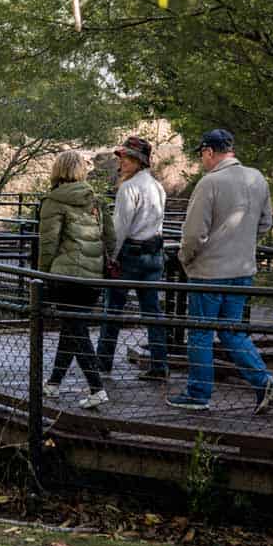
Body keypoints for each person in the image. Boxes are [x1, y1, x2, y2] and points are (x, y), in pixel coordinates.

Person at [168, 129, 273, 414]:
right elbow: (266, 223)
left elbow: (193, 233)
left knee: (201, 334)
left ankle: (198, 394)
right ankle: (263, 380)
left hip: (208, 272)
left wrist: (184, 258)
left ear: (208, 152)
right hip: (242, 270)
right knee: (231, 332)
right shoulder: (257, 177)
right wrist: (242, 243)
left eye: (202, 155)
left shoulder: (210, 183)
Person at [38, 150, 116, 409]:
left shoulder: (54, 201)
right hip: (92, 277)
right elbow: (110, 238)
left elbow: (48, 243)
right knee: (72, 329)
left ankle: (96, 388)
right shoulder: (95, 200)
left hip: (67, 275)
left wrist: (42, 275)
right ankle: (54, 383)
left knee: (75, 329)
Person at [96, 137, 169, 380]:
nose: (123, 161)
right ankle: (160, 365)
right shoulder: (157, 187)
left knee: (113, 310)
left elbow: (120, 228)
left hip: (130, 255)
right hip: (154, 254)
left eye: (128, 157)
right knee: (153, 313)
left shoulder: (129, 188)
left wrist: (110, 259)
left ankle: (103, 364)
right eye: (122, 157)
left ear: (139, 161)